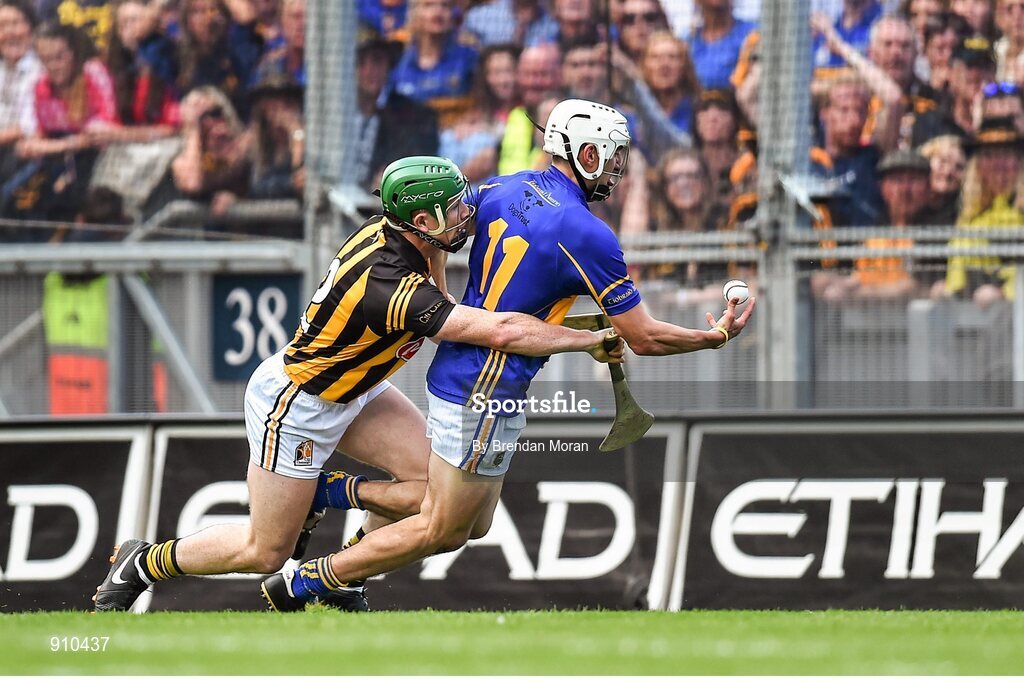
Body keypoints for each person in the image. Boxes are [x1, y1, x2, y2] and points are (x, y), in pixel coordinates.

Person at [257, 99, 755, 612]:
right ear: (586, 155)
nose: (619, 168)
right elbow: (645, 337)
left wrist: (448, 291)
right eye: (612, 156)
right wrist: (713, 336)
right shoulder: (589, 234)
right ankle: (309, 582)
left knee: (475, 523)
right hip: (484, 384)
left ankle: (333, 496)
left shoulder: (505, 186)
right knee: (441, 528)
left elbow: (438, 228)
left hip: (477, 375)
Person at [93, 154, 623, 613]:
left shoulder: (408, 237)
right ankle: (143, 564)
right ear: (422, 219)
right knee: (265, 550)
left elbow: (450, 299)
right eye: (457, 209)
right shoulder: (391, 284)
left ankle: (339, 525)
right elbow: (499, 329)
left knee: (431, 496)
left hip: (361, 390)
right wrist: (587, 338)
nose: (468, 215)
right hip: (301, 403)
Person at [940, 117, 1024, 303]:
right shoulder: (969, 217)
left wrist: (1005, 294)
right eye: (988, 155)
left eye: (1006, 154)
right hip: (974, 320)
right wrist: (950, 291)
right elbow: (957, 271)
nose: (998, 164)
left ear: (1019, 160)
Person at [0, 0, 42, 175]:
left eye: (15, 24)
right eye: (2, 26)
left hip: (22, 151)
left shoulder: (41, 69)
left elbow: (28, 125)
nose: (9, 32)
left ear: (31, 28)